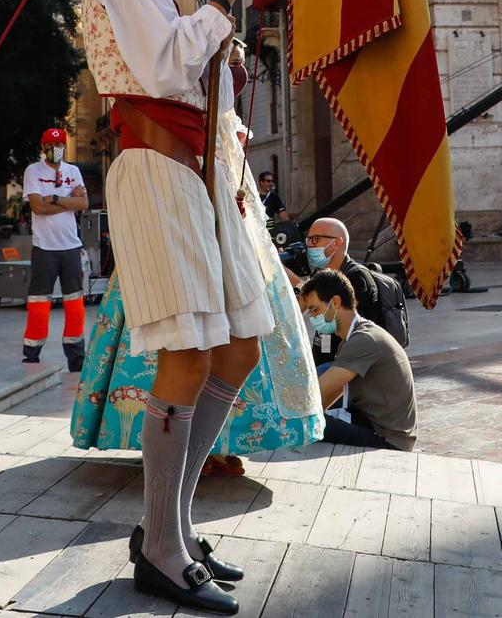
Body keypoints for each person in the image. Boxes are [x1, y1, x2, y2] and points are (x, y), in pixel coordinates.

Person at [82, 0, 269, 613]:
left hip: (189, 172)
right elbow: (163, 63)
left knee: (237, 345)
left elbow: (186, 66)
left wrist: (222, 39)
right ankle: (161, 545)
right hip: (154, 168)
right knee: (188, 351)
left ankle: (174, 528)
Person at [70, 165, 324, 465]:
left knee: (237, 346)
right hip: (184, 214)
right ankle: (176, 456)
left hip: (227, 219)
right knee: (183, 349)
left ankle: (210, 449)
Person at [299, 270, 417, 451]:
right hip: (375, 424)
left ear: (335, 302)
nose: (313, 318)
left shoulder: (363, 339)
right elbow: (329, 394)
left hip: (389, 440)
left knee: (305, 425)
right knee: (309, 421)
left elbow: (313, 397)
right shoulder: (356, 335)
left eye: (315, 310)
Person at [22, 127, 90, 369]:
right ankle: (31, 354)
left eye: (60, 145)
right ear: (44, 148)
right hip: (44, 248)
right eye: (51, 146)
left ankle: (76, 358)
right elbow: (37, 208)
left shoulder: (73, 171)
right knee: (40, 302)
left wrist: (54, 198)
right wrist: (68, 201)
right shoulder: (33, 171)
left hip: (71, 247)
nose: (55, 150)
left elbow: (83, 203)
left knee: (75, 303)